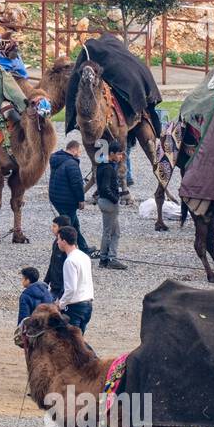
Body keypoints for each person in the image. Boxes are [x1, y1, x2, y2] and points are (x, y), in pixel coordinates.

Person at [48, 133, 91, 253]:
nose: (80, 154)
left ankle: (83, 247)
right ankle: (63, 249)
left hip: (56, 197)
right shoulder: (72, 163)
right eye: (79, 151)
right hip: (67, 200)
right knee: (68, 227)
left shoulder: (56, 158)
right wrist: (81, 200)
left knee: (74, 224)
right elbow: (77, 184)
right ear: (75, 150)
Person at [94, 140, 127, 269]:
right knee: (110, 232)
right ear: (112, 153)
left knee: (113, 231)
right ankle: (109, 259)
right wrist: (115, 199)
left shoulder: (103, 164)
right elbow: (105, 187)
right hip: (109, 203)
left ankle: (106, 258)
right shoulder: (108, 168)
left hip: (104, 202)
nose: (120, 157)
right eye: (119, 154)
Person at [56, 225, 94, 332]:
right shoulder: (84, 256)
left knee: (70, 342)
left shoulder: (70, 261)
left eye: (58, 239)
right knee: (79, 341)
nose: (57, 242)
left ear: (64, 241)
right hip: (87, 305)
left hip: (74, 308)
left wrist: (60, 304)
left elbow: (71, 289)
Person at [43, 215, 71, 299]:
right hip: (54, 286)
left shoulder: (68, 247)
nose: (52, 228)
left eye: (54, 226)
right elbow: (52, 264)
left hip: (63, 289)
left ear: (61, 228)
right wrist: (45, 282)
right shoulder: (56, 242)